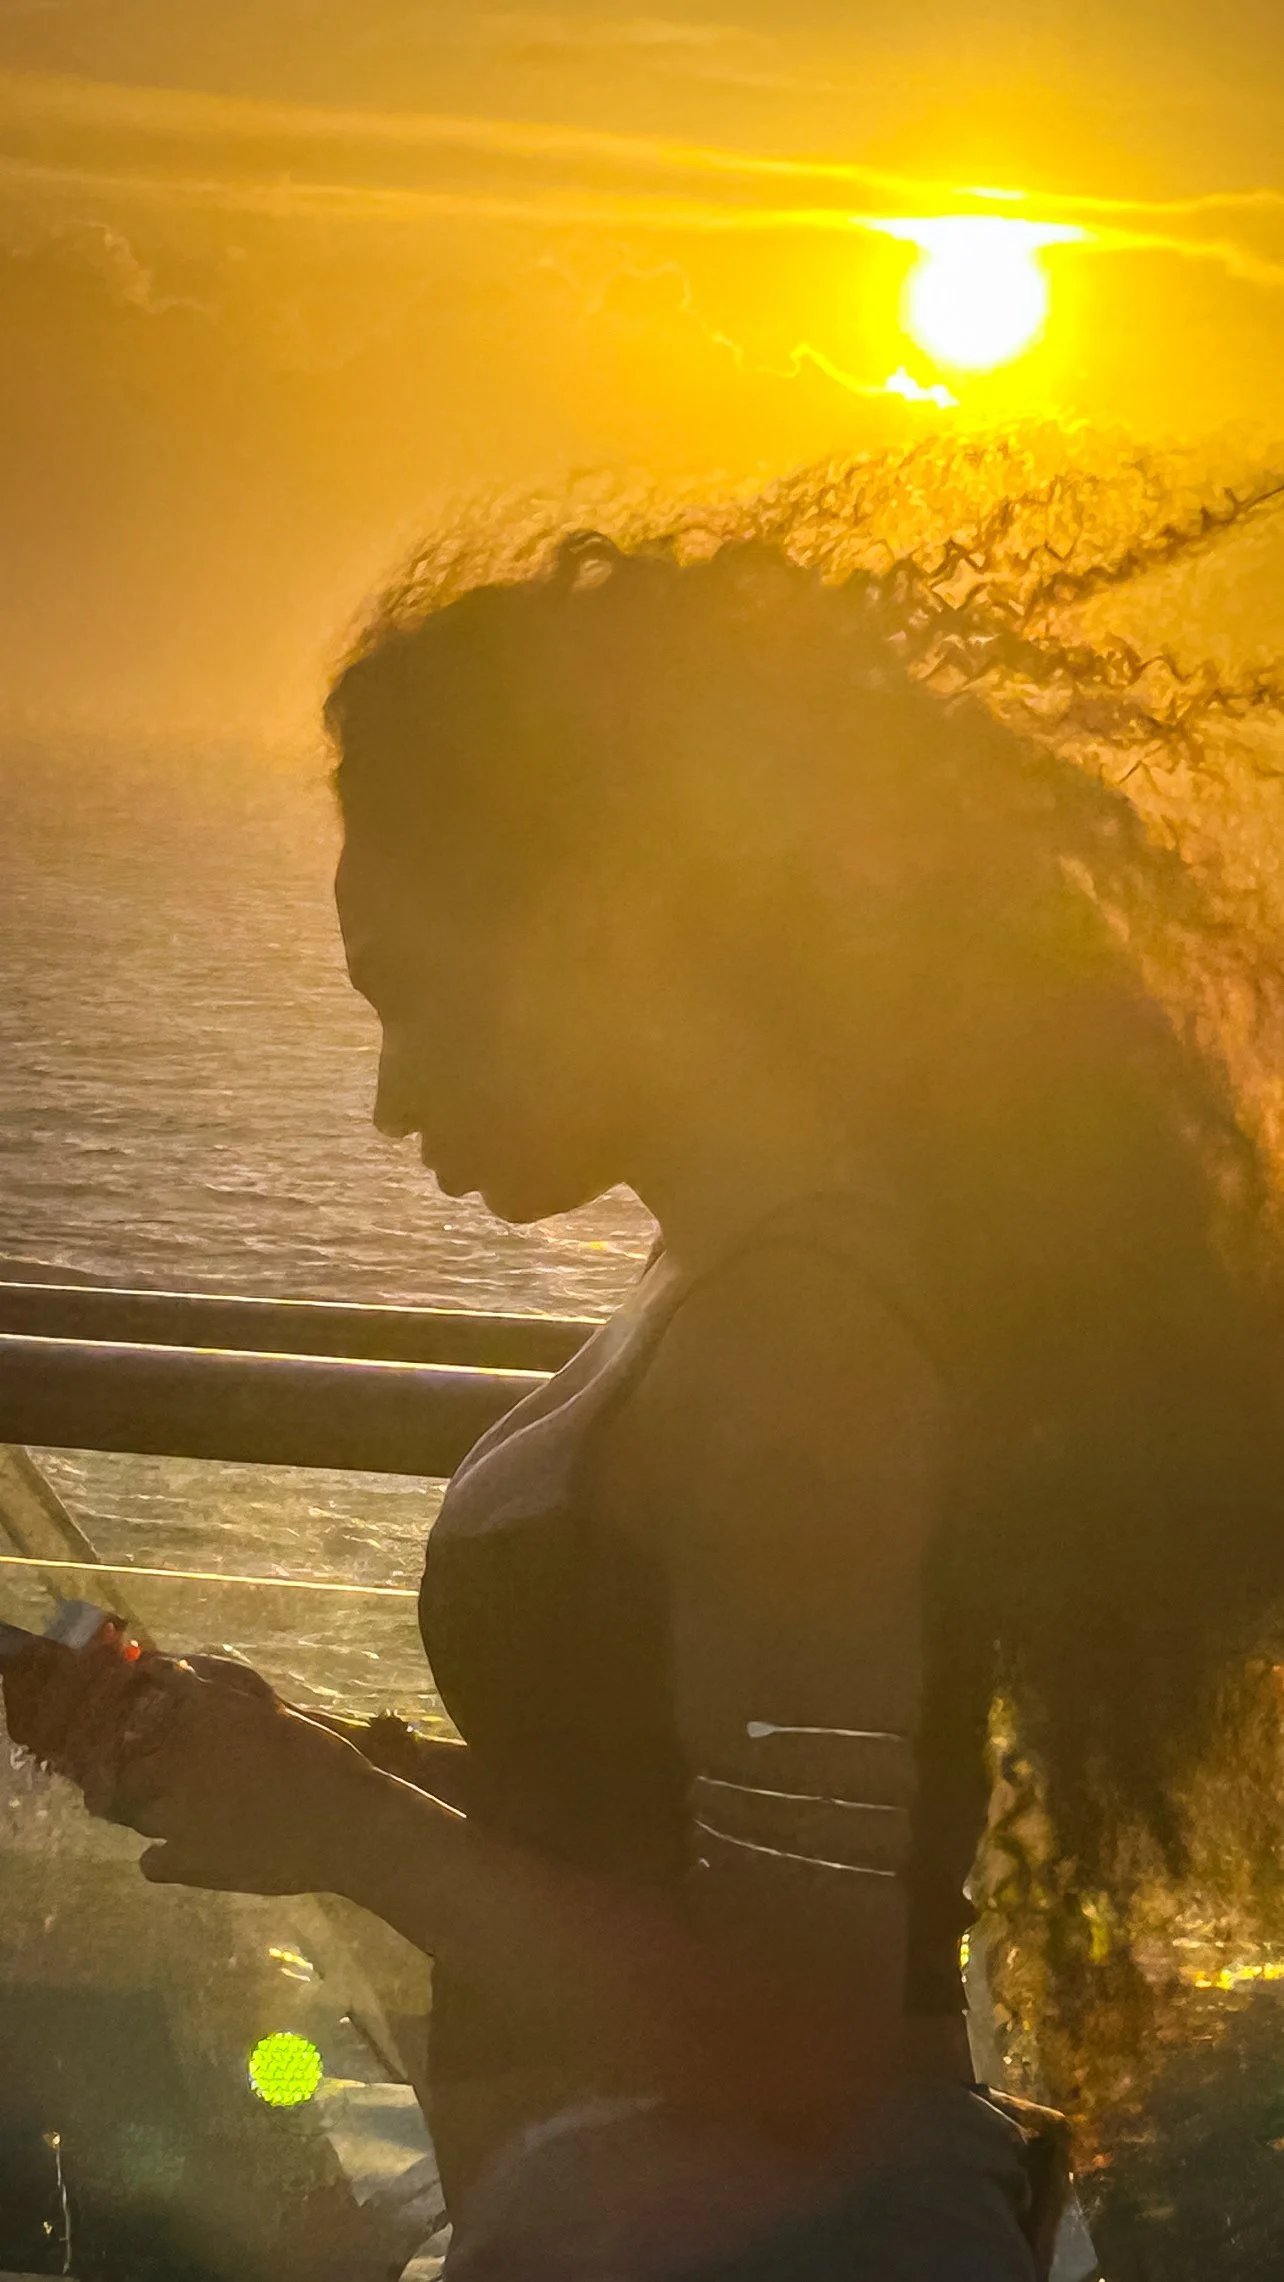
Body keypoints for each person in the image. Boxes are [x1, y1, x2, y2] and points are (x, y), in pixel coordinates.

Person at [8, 520, 1284, 2280]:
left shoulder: (803, 1344)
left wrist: (349, 1821)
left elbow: (808, 2047)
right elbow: (668, 1834)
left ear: (605, 930)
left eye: (415, 998)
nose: (389, 1098)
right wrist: (310, 1758)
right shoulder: (736, 1272)